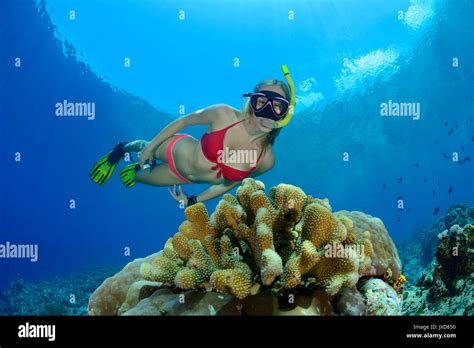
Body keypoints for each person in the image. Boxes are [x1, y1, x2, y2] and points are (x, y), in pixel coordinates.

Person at [90, 65, 296, 207]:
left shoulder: (266, 160)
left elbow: (229, 183)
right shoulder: (223, 113)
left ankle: (138, 166)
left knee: (137, 177)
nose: (268, 111)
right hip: (176, 149)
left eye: (278, 106)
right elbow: (183, 121)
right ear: (251, 102)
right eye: (261, 101)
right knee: (142, 146)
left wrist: (194, 200)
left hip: (180, 178)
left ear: (285, 113)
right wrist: (152, 146)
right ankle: (120, 150)